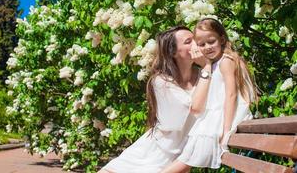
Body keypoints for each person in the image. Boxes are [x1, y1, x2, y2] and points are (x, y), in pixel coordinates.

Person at [98, 25, 212, 173]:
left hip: (177, 160)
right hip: (152, 153)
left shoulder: (205, 75)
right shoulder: (161, 81)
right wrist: (207, 67)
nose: (196, 45)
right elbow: (193, 107)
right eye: (188, 41)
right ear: (173, 52)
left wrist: (207, 67)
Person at [161, 18, 257, 173]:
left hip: (228, 116)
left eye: (211, 41)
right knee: (187, 155)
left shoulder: (226, 61)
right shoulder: (213, 64)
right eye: (201, 44)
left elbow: (231, 95)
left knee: (187, 157)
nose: (207, 47)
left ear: (222, 39)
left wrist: (226, 131)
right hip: (217, 115)